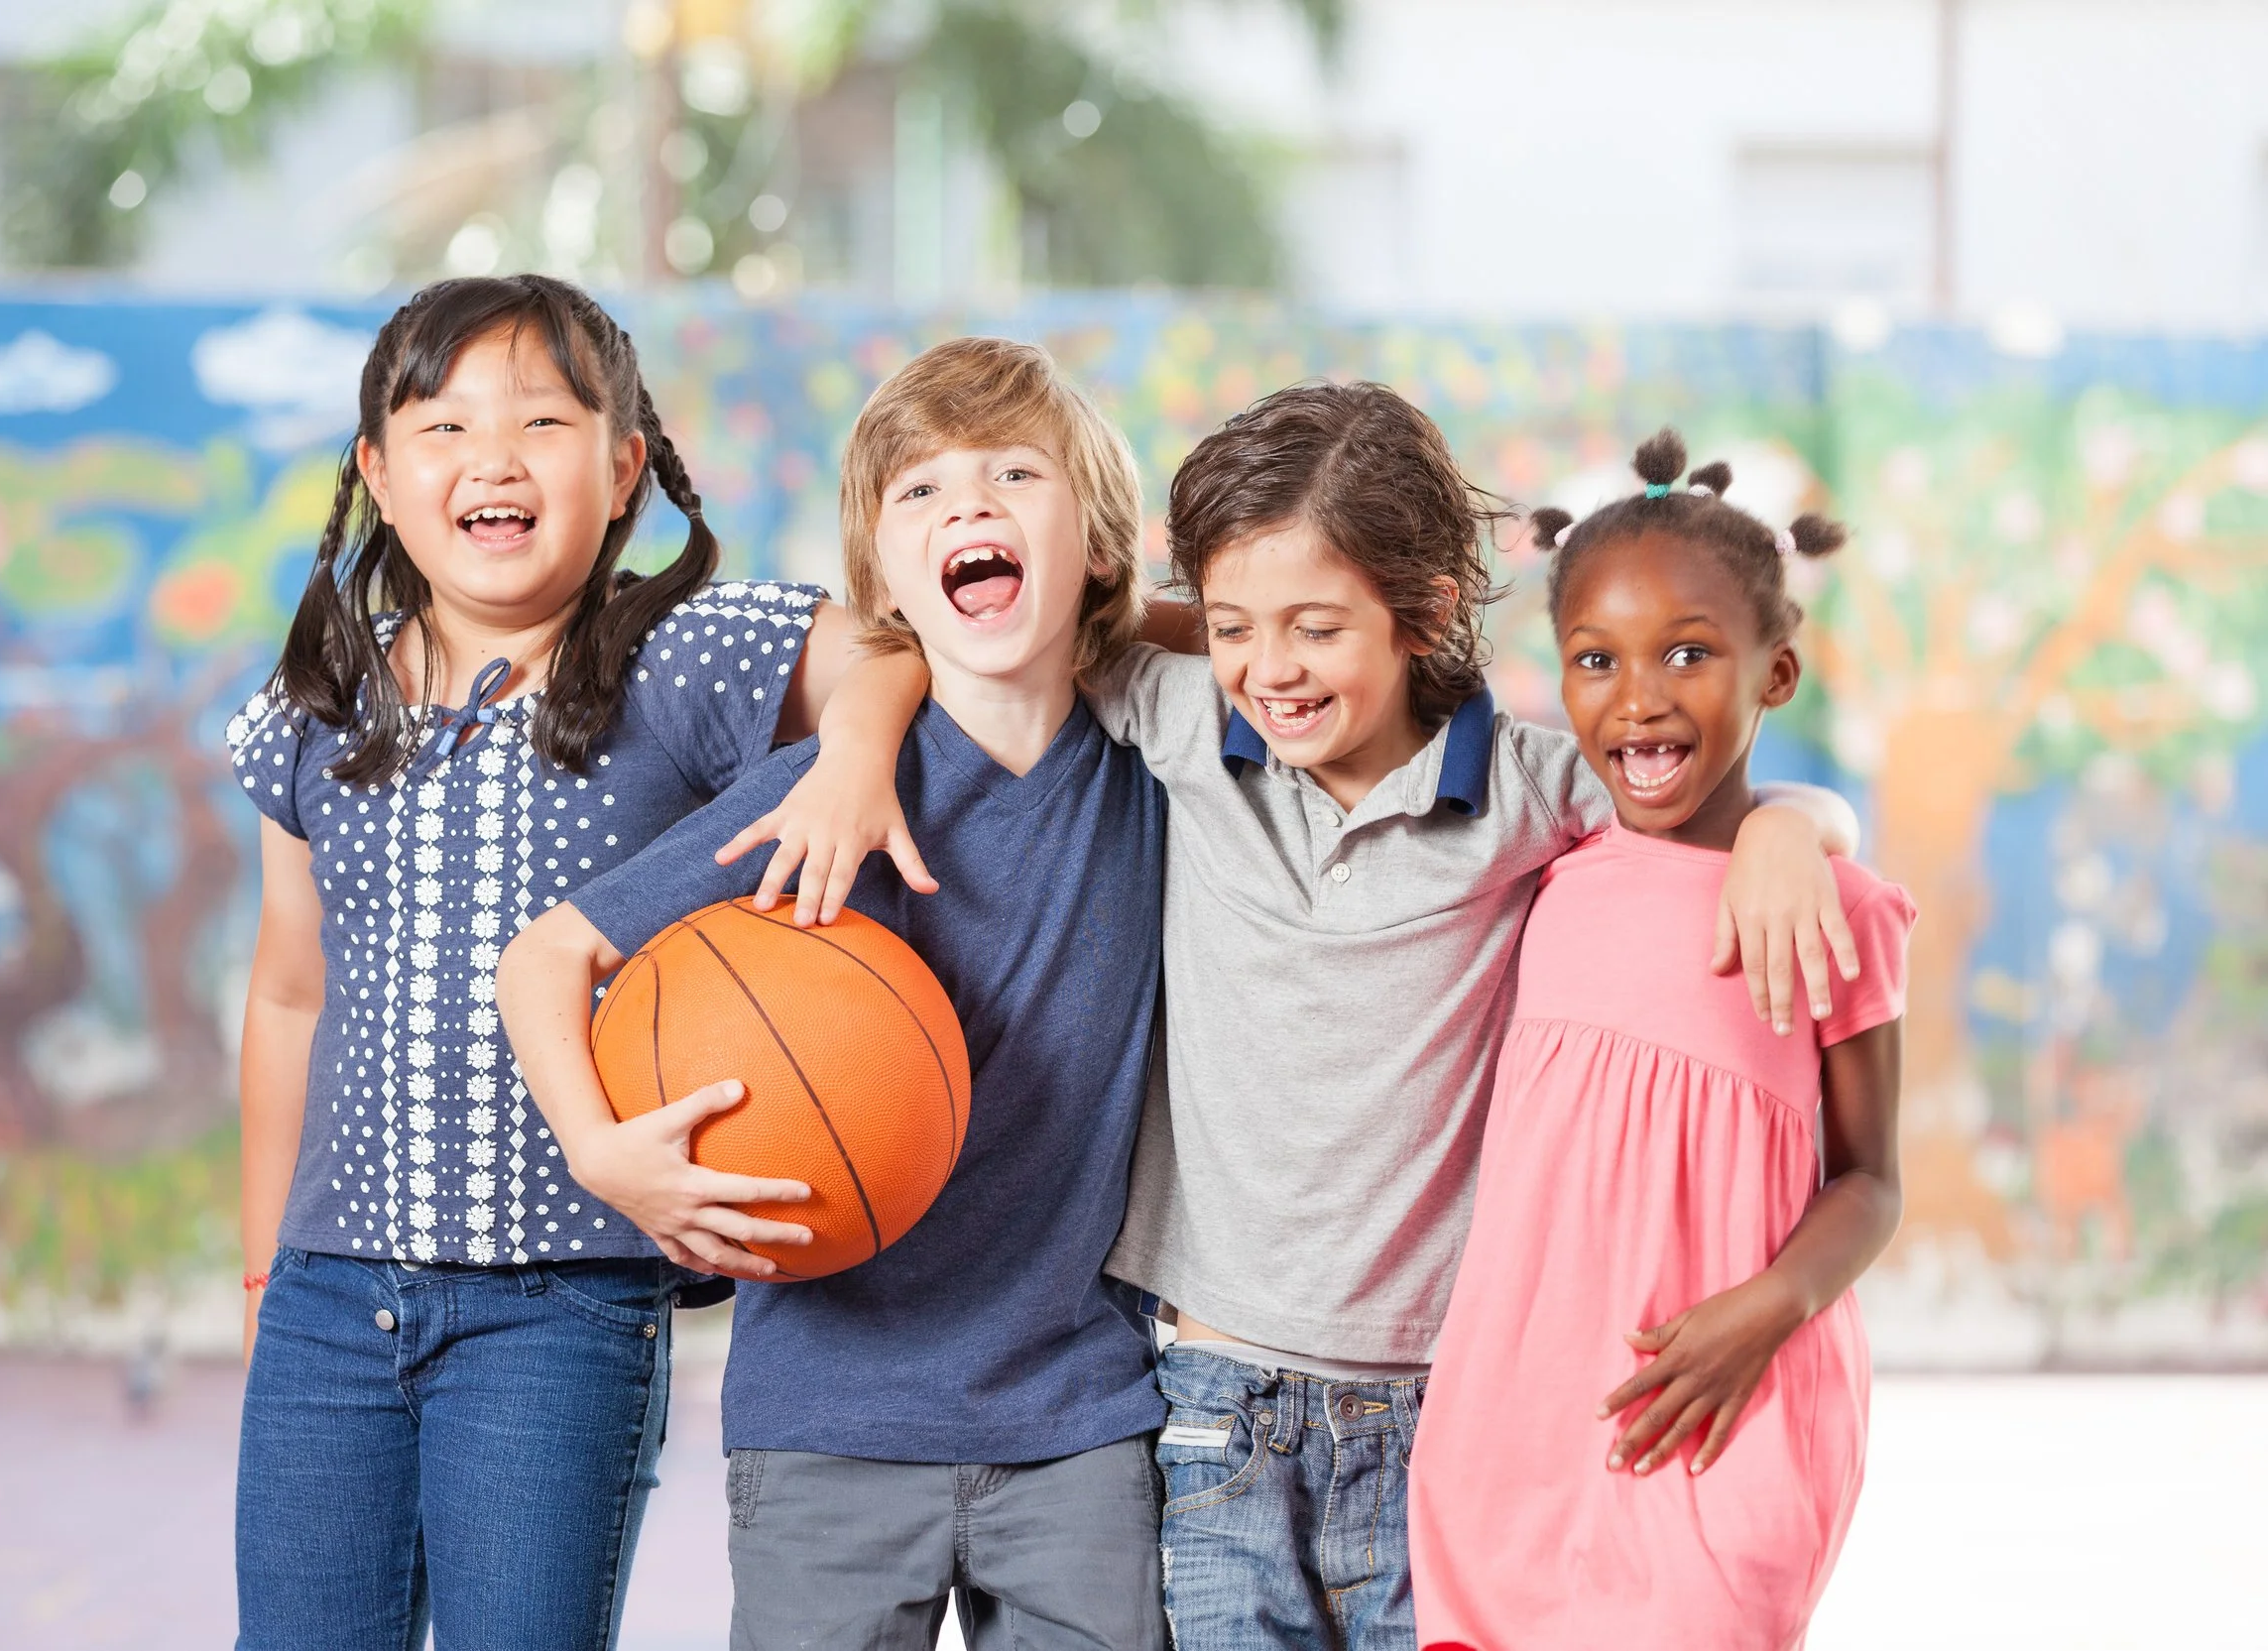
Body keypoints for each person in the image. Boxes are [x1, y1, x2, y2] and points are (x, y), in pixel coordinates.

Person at [766, 382, 1863, 1648]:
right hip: (1211, 1402)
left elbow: (1698, 798)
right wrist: (854, 748)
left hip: (1441, 1411)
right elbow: (967, 636)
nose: (1270, 670)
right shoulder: (1181, 714)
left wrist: (1798, 824)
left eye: (1315, 629)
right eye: (1232, 625)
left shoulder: (1525, 792)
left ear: (1427, 615)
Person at [496, 336, 1171, 1650]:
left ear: (1096, 540)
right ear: (883, 582)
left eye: (1012, 475)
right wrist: (606, 1155)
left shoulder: (1166, 767)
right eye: (918, 493)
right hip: (829, 1416)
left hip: (1077, 1414)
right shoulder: (820, 795)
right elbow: (544, 961)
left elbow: (1281, 636)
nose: (965, 507)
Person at [227, 274, 865, 1651]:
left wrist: (854, 762)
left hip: (564, 1299)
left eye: (542, 420)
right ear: (381, 479)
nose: (493, 457)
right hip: (331, 1296)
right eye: (443, 428)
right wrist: (262, 1269)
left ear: (625, 464)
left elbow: (881, 651)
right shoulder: (316, 706)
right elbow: (290, 991)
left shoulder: (682, 656)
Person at [1407, 430, 1912, 1651]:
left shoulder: (1835, 909)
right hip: (1513, 1422)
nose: (1638, 694)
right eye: (1596, 659)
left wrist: (1766, 1309)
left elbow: (1872, 1183)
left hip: (1721, 1407)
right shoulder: (1547, 869)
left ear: (1774, 675)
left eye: (1689, 653)